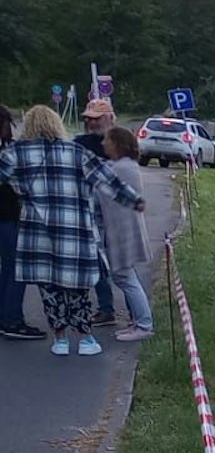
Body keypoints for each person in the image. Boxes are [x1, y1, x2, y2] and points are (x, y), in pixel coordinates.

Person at [0, 106, 145, 357]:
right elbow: (107, 180)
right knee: (77, 289)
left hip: (37, 234)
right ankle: (86, 339)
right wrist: (134, 201)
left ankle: (60, 339)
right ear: (57, 124)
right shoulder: (77, 152)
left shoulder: (15, 154)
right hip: (74, 232)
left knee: (50, 289)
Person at [96, 126, 152, 341]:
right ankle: (139, 322)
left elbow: (97, 187)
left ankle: (144, 324)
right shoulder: (126, 166)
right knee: (126, 277)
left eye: (107, 140)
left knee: (125, 278)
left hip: (120, 231)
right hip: (124, 229)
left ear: (117, 144)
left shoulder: (117, 168)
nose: (103, 144)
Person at [73, 98, 118, 324]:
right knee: (95, 259)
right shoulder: (80, 143)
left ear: (110, 118)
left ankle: (138, 316)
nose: (91, 123)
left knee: (122, 263)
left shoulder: (120, 142)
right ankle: (106, 307)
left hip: (117, 210)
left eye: (96, 118)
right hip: (90, 208)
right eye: (88, 119)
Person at [0, 106, 37, 341]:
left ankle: (5, 315)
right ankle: (12, 319)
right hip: (7, 216)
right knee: (16, 268)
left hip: (7, 214)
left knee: (8, 267)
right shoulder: (7, 151)